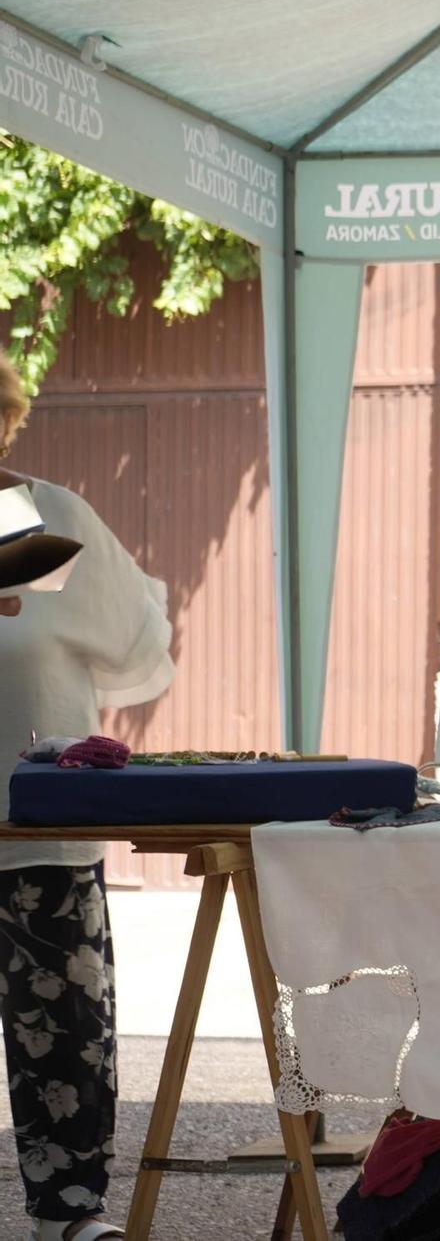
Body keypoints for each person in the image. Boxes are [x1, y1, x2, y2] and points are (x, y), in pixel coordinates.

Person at [0, 354, 175, 1241]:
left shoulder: (32, 520)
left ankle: (67, 1210)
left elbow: (133, 636)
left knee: (61, 1025)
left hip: (33, 823)